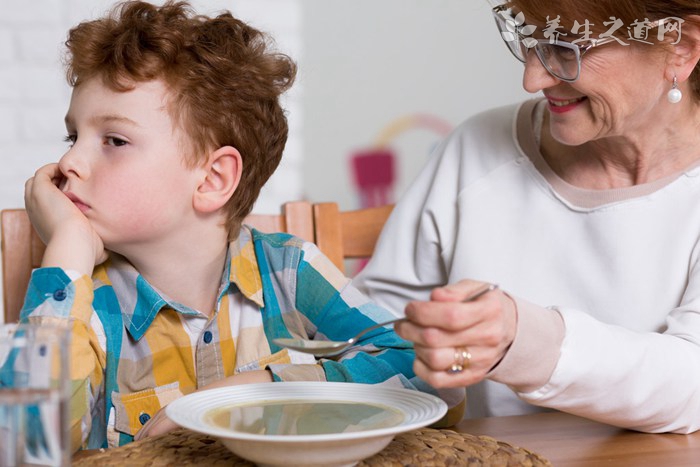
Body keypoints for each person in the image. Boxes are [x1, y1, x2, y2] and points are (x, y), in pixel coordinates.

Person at [20, 0, 465, 451]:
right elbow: (29, 440)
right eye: (73, 137)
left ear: (213, 180)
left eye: (114, 140)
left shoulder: (288, 272)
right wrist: (67, 251)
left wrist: (263, 388)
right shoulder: (86, 301)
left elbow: (432, 376)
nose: (69, 161)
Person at [355, 0, 700, 434]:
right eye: (528, 38)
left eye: (565, 47)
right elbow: (374, 325)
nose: (532, 78)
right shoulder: (477, 147)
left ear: (681, 47)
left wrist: (521, 339)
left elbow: (693, 383)